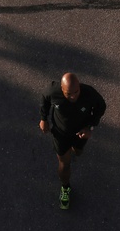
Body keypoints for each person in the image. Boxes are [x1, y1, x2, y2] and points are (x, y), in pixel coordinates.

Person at [39, 71, 107, 209]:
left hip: (80, 133)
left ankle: (74, 150)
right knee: (64, 163)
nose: (73, 96)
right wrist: (43, 119)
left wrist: (90, 127)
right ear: (62, 89)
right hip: (60, 133)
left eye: (76, 92)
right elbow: (44, 99)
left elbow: (101, 107)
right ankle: (65, 188)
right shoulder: (53, 91)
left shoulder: (89, 93)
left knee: (78, 152)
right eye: (68, 94)